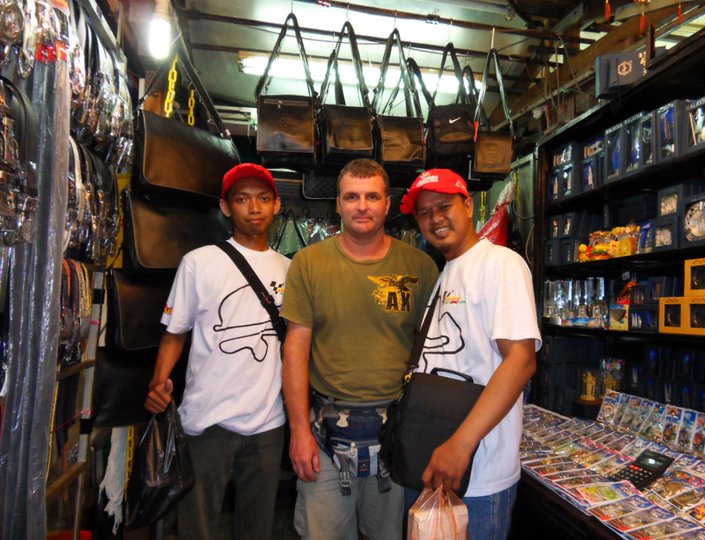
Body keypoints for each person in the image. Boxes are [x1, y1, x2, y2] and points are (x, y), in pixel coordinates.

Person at [281, 158, 439, 540]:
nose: (362, 206)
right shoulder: (308, 263)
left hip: (396, 435)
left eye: (372, 197)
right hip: (326, 434)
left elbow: (435, 354)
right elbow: (295, 352)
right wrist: (299, 431)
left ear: (388, 203)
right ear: (338, 203)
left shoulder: (420, 267)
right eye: (352, 197)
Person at [144, 163, 289, 540]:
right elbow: (175, 332)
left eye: (263, 198)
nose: (254, 208)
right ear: (226, 207)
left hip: (268, 421)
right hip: (207, 419)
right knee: (197, 527)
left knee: (257, 528)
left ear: (276, 205)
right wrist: (158, 382)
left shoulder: (292, 270)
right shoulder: (199, 262)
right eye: (242, 199)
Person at [399, 168, 541, 540]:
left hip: (478, 475)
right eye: (424, 213)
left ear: (468, 206)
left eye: (444, 206)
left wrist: (461, 444)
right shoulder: (447, 272)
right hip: (437, 467)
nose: (435, 218)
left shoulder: (501, 264)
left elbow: (521, 360)